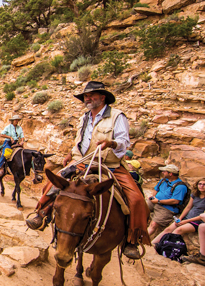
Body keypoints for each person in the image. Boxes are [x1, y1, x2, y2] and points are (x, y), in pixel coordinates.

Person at [25, 81, 150, 259]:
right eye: (86, 96)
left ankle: (132, 240)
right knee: (54, 182)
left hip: (110, 164)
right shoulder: (84, 117)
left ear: (103, 97)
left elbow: (124, 142)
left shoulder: (117, 116)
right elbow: (81, 141)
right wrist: (70, 153)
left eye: (92, 95)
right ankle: (41, 214)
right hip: (83, 161)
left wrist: (111, 143)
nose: (88, 98)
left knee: (136, 199)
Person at [151, 178, 205, 245]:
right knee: (168, 229)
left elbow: (204, 216)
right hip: (187, 218)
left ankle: (164, 247)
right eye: (200, 184)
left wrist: (186, 221)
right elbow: (188, 207)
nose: (201, 186)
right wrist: (180, 218)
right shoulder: (195, 195)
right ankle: (153, 244)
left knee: (178, 230)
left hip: (198, 222)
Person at [146, 164, 189, 240]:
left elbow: (175, 201)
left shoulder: (180, 186)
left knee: (154, 224)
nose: (162, 173)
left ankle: (141, 239)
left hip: (167, 208)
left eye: (164, 171)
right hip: (155, 202)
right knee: (139, 208)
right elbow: (156, 189)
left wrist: (158, 201)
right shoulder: (163, 180)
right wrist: (153, 197)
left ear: (170, 173)